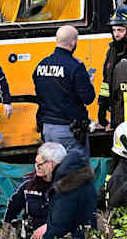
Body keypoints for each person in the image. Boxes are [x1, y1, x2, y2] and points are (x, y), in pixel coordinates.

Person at [33, 25, 97, 158]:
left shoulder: (41, 65)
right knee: (75, 172)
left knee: (52, 169)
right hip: (68, 131)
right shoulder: (75, 67)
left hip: (47, 128)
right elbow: (88, 98)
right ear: (73, 42)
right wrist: (89, 83)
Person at [5, 143, 63, 239]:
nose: (37, 167)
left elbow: (74, 213)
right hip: (30, 237)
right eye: (36, 163)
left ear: (54, 164)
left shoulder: (68, 185)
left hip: (58, 238)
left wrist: (49, 226)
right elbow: (12, 209)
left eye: (41, 164)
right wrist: (4, 238)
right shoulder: (27, 183)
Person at [38, 148, 98, 239]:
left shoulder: (67, 190)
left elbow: (58, 227)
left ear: (51, 164)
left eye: (41, 164)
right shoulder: (85, 181)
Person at [98, 5, 127, 130]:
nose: (116, 34)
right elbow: (106, 80)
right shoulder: (112, 51)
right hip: (116, 108)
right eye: (114, 30)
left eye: (120, 30)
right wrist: (102, 105)